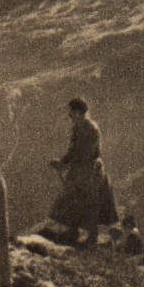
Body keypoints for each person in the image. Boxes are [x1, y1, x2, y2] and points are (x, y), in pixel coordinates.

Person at [47, 97, 119, 247]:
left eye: (71, 112)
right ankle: (73, 231)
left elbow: (86, 153)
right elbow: (72, 151)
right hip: (80, 170)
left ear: (78, 112)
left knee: (89, 203)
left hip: (90, 172)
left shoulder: (90, 128)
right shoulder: (77, 128)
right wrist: (62, 162)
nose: (69, 116)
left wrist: (66, 165)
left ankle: (92, 237)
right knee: (72, 200)